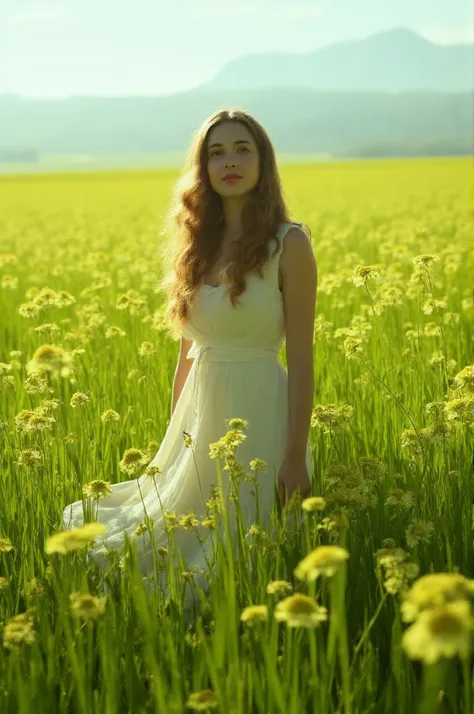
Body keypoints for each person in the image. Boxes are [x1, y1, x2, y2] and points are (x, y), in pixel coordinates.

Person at [62, 108, 318, 613]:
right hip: (199, 419)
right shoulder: (196, 245)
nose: (230, 161)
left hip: (261, 413)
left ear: (263, 161)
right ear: (202, 167)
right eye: (216, 152)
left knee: (237, 554)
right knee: (157, 534)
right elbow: (187, 351)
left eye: (242, 149)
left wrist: (295, 453)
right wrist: (173, 444)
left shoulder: (290, 243)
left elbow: (304, 358)